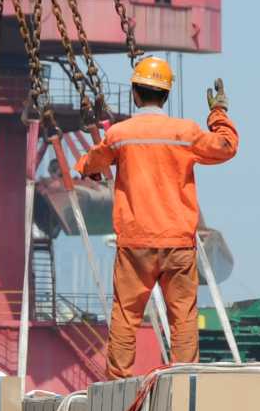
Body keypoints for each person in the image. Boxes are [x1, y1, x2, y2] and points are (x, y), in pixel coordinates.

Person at [72, 56, 238, 379]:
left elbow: (92, 162)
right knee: (183, 320)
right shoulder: (185, 132)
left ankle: (116, 387)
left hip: (135, 245)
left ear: (135, 93)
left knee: (125, 317)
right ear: (166, 95)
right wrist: (218, 113)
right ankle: (184, 382)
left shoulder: (121, 135)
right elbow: (225, 146)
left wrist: (84, 168)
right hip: (178, 245)